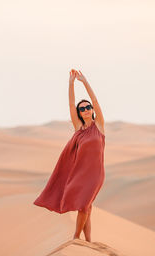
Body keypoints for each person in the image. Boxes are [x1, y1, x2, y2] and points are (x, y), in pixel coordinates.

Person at [33, 69, 106, 242]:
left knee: (84, 206)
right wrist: (71, 83)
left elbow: (95, 100)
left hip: (95, 175)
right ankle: (88, 242)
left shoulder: (100, 126)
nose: (86, 109)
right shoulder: (78, 130)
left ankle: (75, 238)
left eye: (88, 107)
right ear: (79, 113)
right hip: (80, 174)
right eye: (83, 109)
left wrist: (84, 81)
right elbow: (71, 103)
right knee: (87, 207)